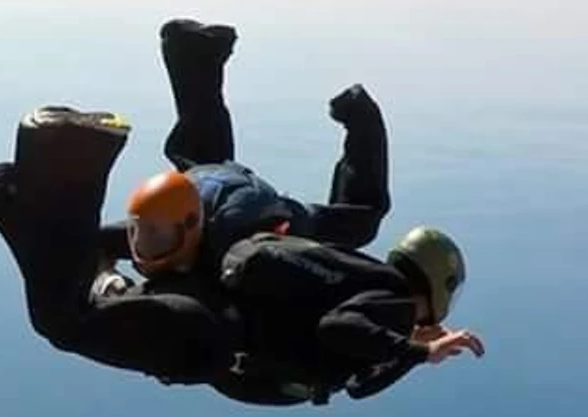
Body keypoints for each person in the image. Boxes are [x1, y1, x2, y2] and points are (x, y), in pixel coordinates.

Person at [0, 104, 483, 406]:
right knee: (64, 322)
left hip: (204, 313)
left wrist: (408, 349)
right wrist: (418, 349)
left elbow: (358, 375)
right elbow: (341, 330)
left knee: (78, 288)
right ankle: (69, 154)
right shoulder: (393, 301)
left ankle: (14, 201)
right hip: (203, 337)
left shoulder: (365, 284)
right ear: (435, 289)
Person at [96, 17, 393, 282]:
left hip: (256, 211)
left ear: (191, 225)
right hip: (204, 183)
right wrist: (107, 276)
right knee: (200, 150)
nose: (146, 249)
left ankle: (361, 115)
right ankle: (192, 50)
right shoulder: (158, 225)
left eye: (155, 239)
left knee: (361, 221)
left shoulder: (246, 242)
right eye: (139, 234)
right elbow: (95, 242)